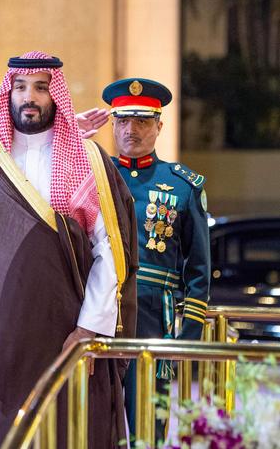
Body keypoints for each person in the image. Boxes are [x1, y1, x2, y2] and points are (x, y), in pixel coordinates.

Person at [0, 51, 139, 448]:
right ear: (7, 93)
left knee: (69, 431)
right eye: (21, 87)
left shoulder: (89, 161)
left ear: (55, 96)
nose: (30, 97)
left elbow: (110, 252)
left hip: (67, 334)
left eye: (41, 87)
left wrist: (89, 329)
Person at [103, 78, 210, 441]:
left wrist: (187, 336)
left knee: (148, 426)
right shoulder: (95, 177)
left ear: (159, 126)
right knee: (95, 421)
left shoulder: (182, 185)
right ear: (113, 124)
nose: (131, 130)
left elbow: (198, 270)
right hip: (99, 313)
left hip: (154, 318)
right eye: (123, 120)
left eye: (143, 121)